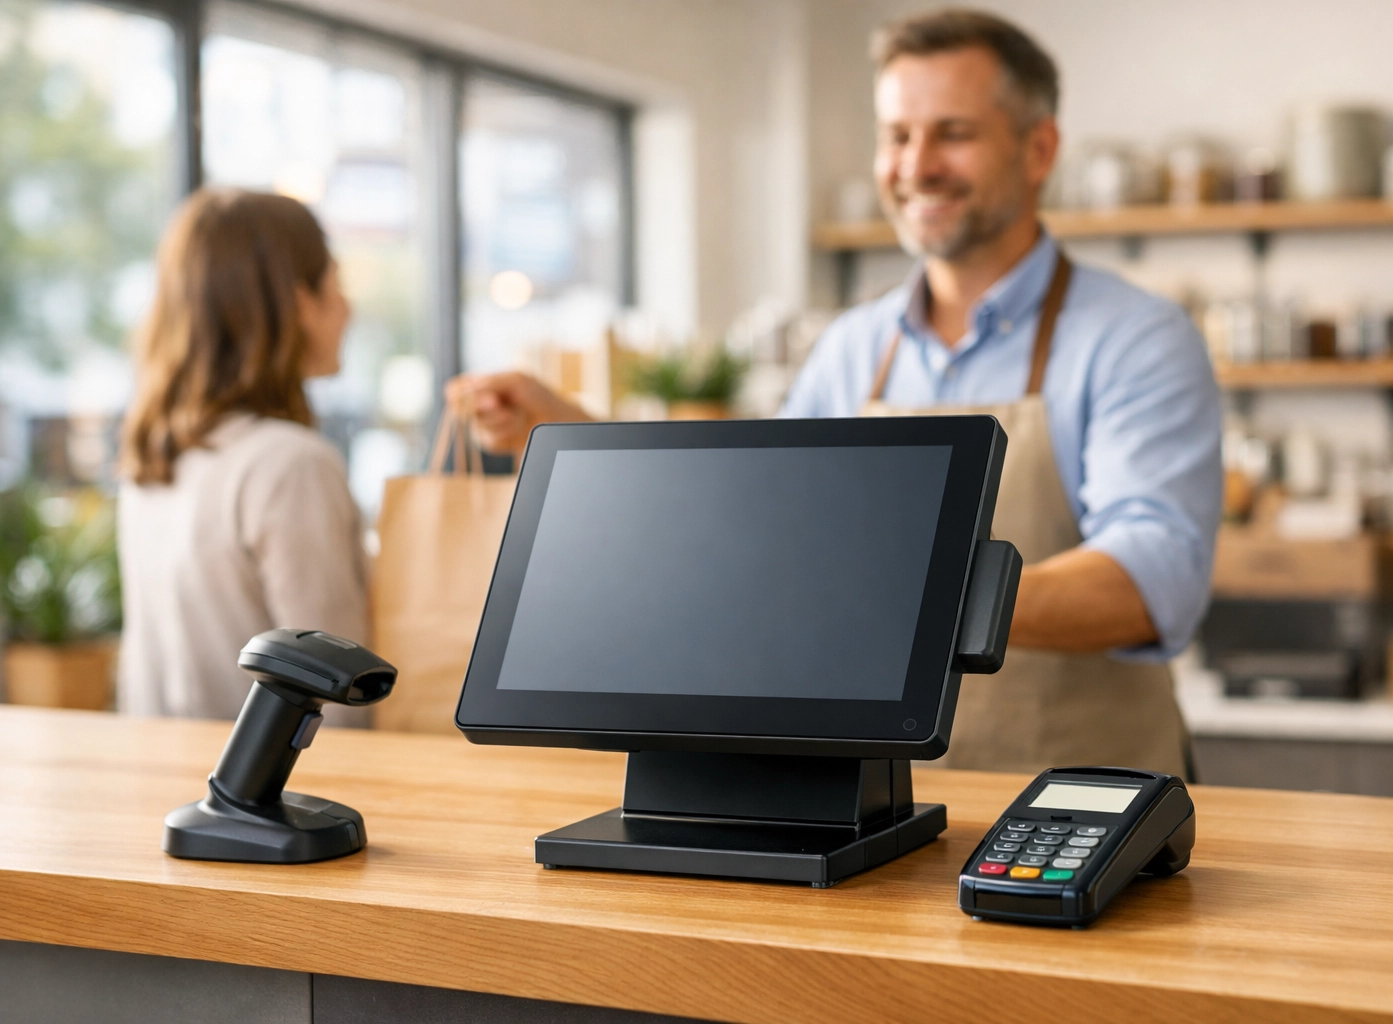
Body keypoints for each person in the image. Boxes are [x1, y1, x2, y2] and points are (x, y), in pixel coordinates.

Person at [448, 9, 1221, 777]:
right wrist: (570, 435)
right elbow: (753, 523)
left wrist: (897, 593)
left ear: (1038, 148)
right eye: (897, 135)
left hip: (1071, 810)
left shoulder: (1135, 338)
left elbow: (1150, 583)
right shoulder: (854, 346)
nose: (916, 166)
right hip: (883, 814)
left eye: (953, 133)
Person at [117, 188, 370, 723]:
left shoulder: (158, 456)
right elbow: (343, 697)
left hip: (173, 791)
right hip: (274, 802)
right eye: (337, 282)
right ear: (301, 302)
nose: (349, 307)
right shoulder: (290, 465)